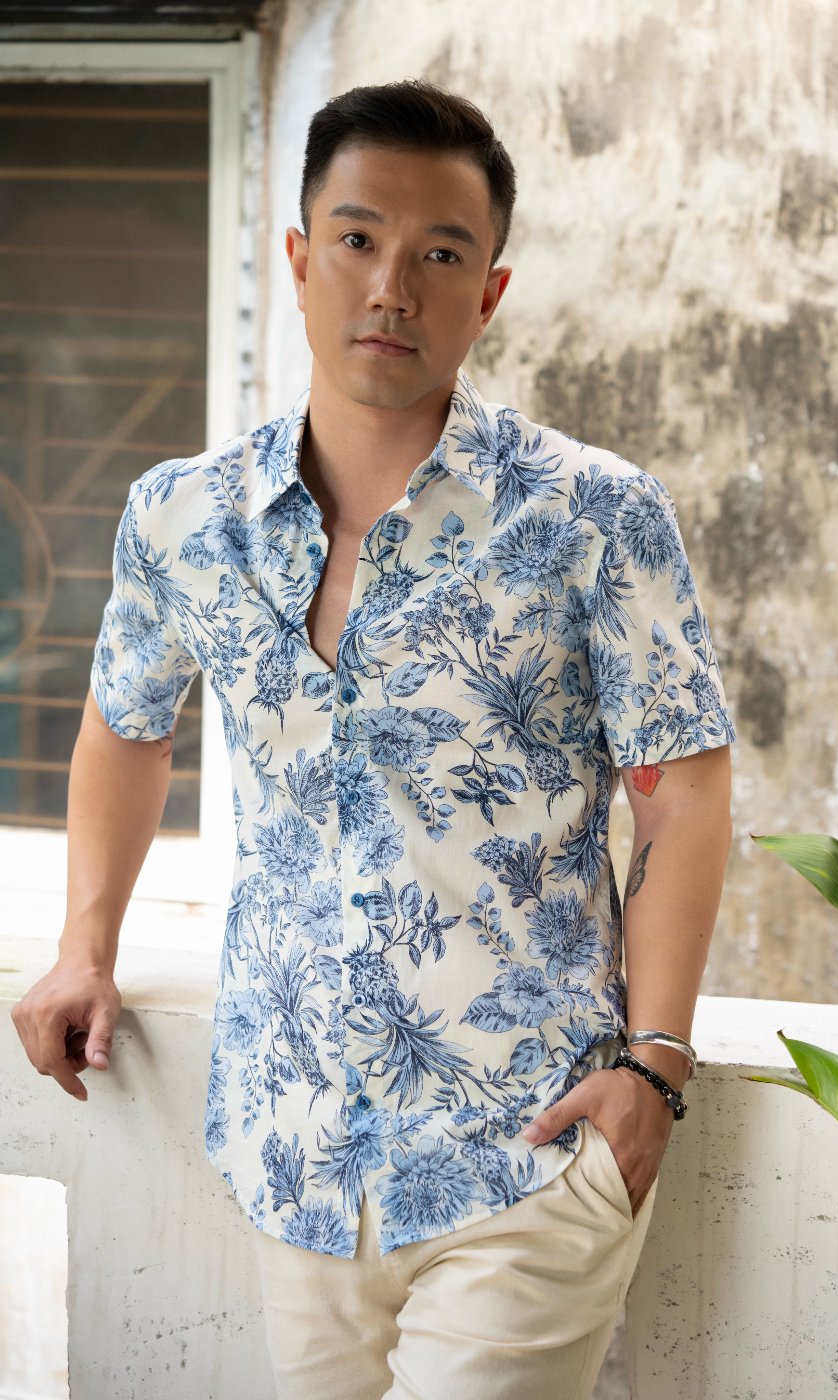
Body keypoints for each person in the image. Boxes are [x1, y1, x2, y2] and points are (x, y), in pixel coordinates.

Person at [11, 80, 734, 1400]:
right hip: (293, 1147)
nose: (390, 287)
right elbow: (126, 728)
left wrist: (655, 1064)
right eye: (356, 239)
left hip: (526, 1144)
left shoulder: (592, 516)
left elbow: (680, 796)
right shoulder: (183, 516)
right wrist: (82, 949)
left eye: (438, 254)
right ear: (297, 259)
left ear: (490, 292)